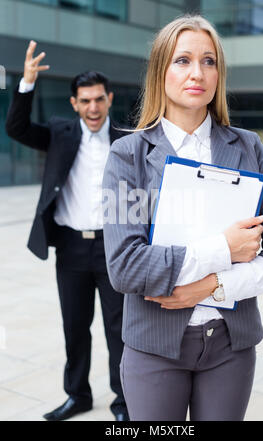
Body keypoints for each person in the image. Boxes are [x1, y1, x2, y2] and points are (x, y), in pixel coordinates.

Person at [102, 15, 263, 421]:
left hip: (231, 347)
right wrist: (223, 248)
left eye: (209, 61)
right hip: (154, 349)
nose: (198, 72)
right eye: (183, 60)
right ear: (161, 71)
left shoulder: (248, 147)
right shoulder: (127, 156)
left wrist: (214, 286)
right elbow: (125, 267)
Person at [5, 40, 129, 422]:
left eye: (98, 100)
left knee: (119, 331)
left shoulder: (127, 137)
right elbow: (17, 128)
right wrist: (26, 84)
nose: (93, 108)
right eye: (84, 101)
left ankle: (123, 403)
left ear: (109, 99)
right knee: (75, 328)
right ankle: (77, 396)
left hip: (115, 249)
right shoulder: (60, 132)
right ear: (74, 103)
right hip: (72, 249)